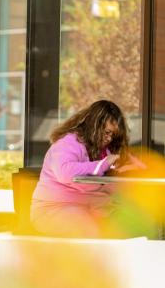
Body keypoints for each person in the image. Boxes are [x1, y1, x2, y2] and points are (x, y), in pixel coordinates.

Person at [30, 99, 144, 238]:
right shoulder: (68, 143)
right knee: (89, 230)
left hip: (89, 206)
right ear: (94, 126)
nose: (109, 138)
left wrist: (129, 172)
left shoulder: (103, 151)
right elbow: (65, 173)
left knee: (132, 226)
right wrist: (103, 164)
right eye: (106, 132)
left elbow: (104, 184)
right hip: (53, 208)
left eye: (113, 135)